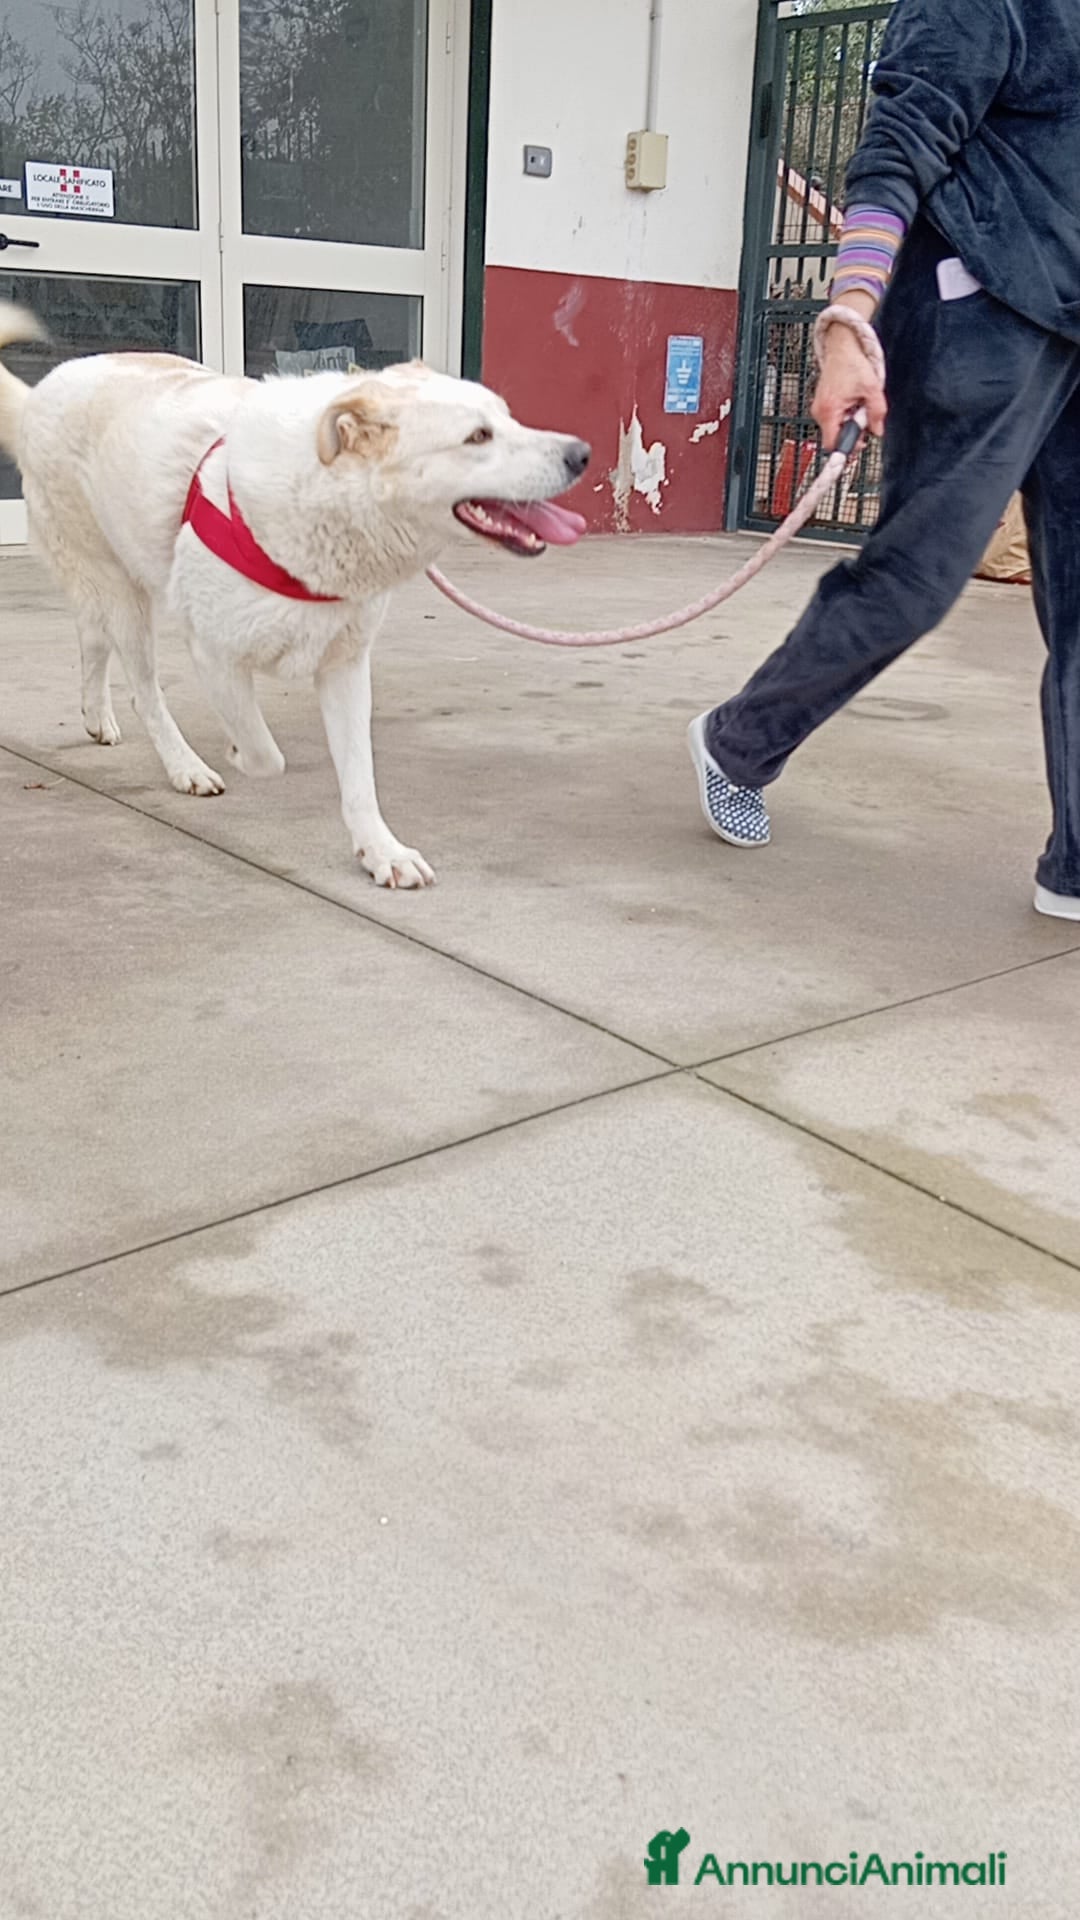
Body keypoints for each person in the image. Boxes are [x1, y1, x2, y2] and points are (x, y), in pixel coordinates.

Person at [687, 0, 1080, 920]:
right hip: (981, 306)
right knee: (918, 577)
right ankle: (738, 741)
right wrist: (849, 316)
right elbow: (898, 140)